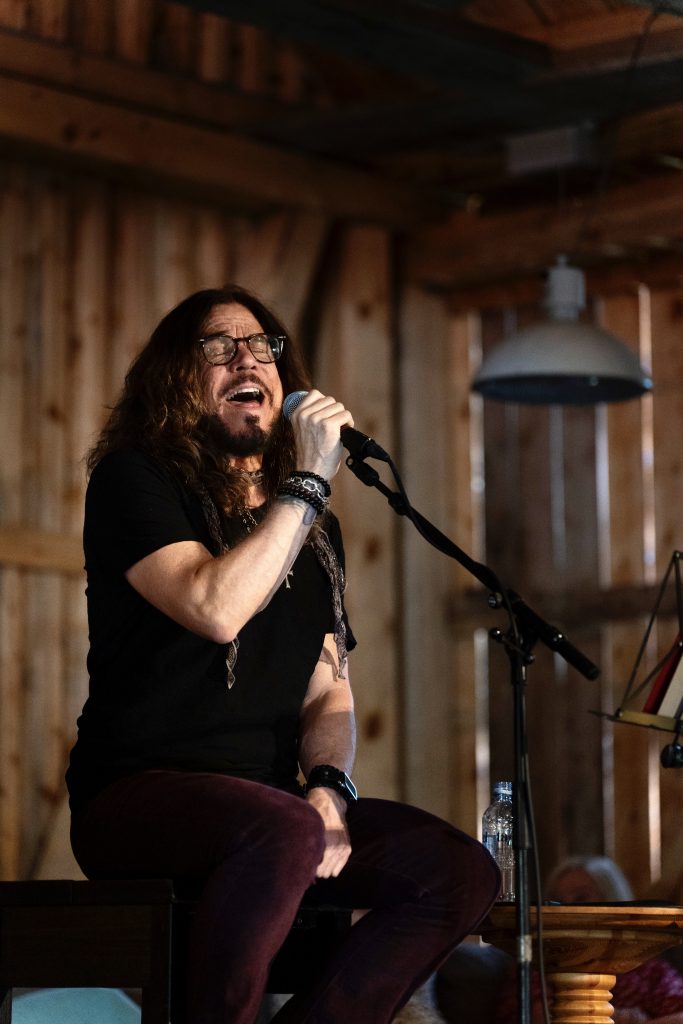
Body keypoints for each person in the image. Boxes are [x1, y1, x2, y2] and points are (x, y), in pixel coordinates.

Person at [65, 285, 500, 1024]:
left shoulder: (312, 531)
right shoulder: (136, 479)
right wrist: (306, 485)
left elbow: (328, 690)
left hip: (271, 814)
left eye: (263, 346)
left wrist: (329, 786)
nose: (248, 359)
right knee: (284, 827)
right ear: (176, 379)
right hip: (136, 797)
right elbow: (214, 608)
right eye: (219, 346)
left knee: (456, 871)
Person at [495, 855, 683, 1024]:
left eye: (581, 897)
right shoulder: (537, 966)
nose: (567, 908)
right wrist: (621, 1018)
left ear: (613, 900)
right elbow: (540, 1016)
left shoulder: (649, 971)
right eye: (557, 900)